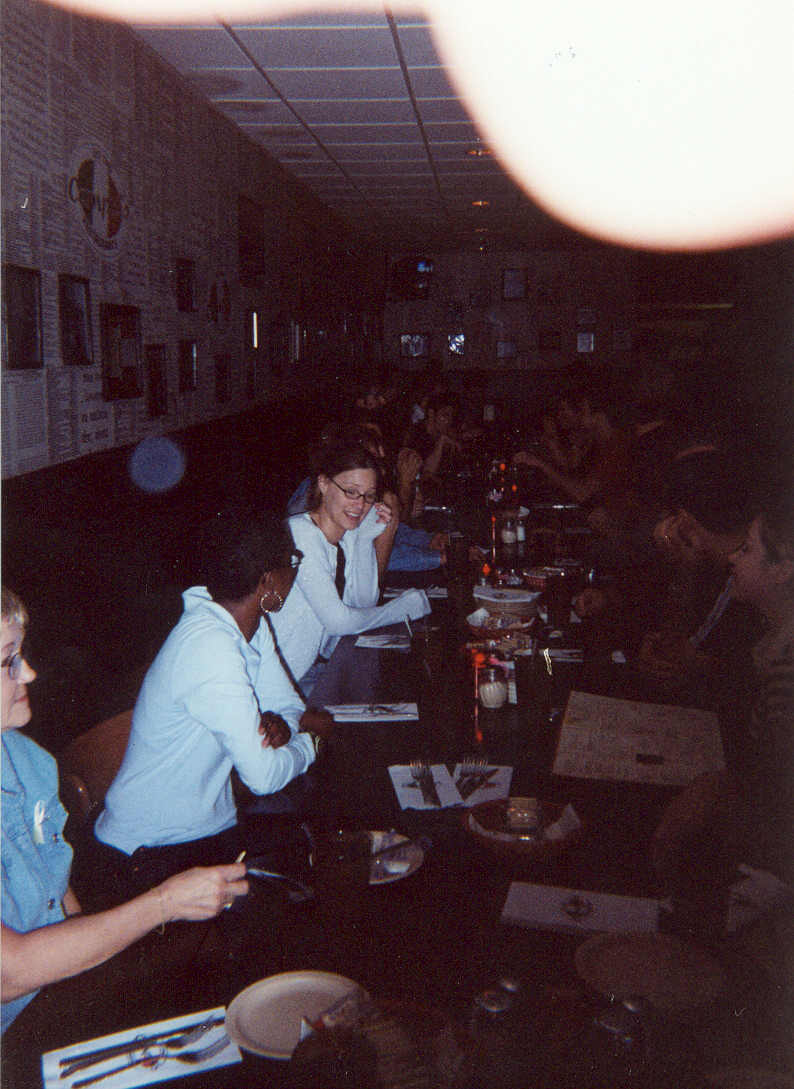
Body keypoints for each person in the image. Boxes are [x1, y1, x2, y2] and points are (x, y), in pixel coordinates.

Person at [1, 586, 248, 1033]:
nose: (30, 673)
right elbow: (9, 972)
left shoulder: (26, 759)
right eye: (7, 661)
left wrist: (98, 978)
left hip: (54, 996)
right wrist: (165, 902)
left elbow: (61, 896)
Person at [94, 510, 323, 893]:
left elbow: (291, 705)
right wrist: (313, 742)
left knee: (317, 853)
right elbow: (264, 777)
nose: (293, 573)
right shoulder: (210, 648)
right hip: (150, 854)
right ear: (267, 580)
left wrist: (284, 724)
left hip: (204, 830)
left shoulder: (248, 623)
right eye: (291, 562)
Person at [652, 490, 794, 890]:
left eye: (747, 550)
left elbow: (770, 793)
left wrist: (715, 787)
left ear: (782, 570)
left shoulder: (786, 671)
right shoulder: (773, 635)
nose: (733, 557)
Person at [267, 440, 431, 694]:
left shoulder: (345, 533)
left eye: (368, 496)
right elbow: (339, 621)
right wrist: (402, 609)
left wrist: (365, 539)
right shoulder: (300, 534)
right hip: (272, 689)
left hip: (304, 676)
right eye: (351, 491)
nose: (360, 504)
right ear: (323, 484)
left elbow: (364, 604)